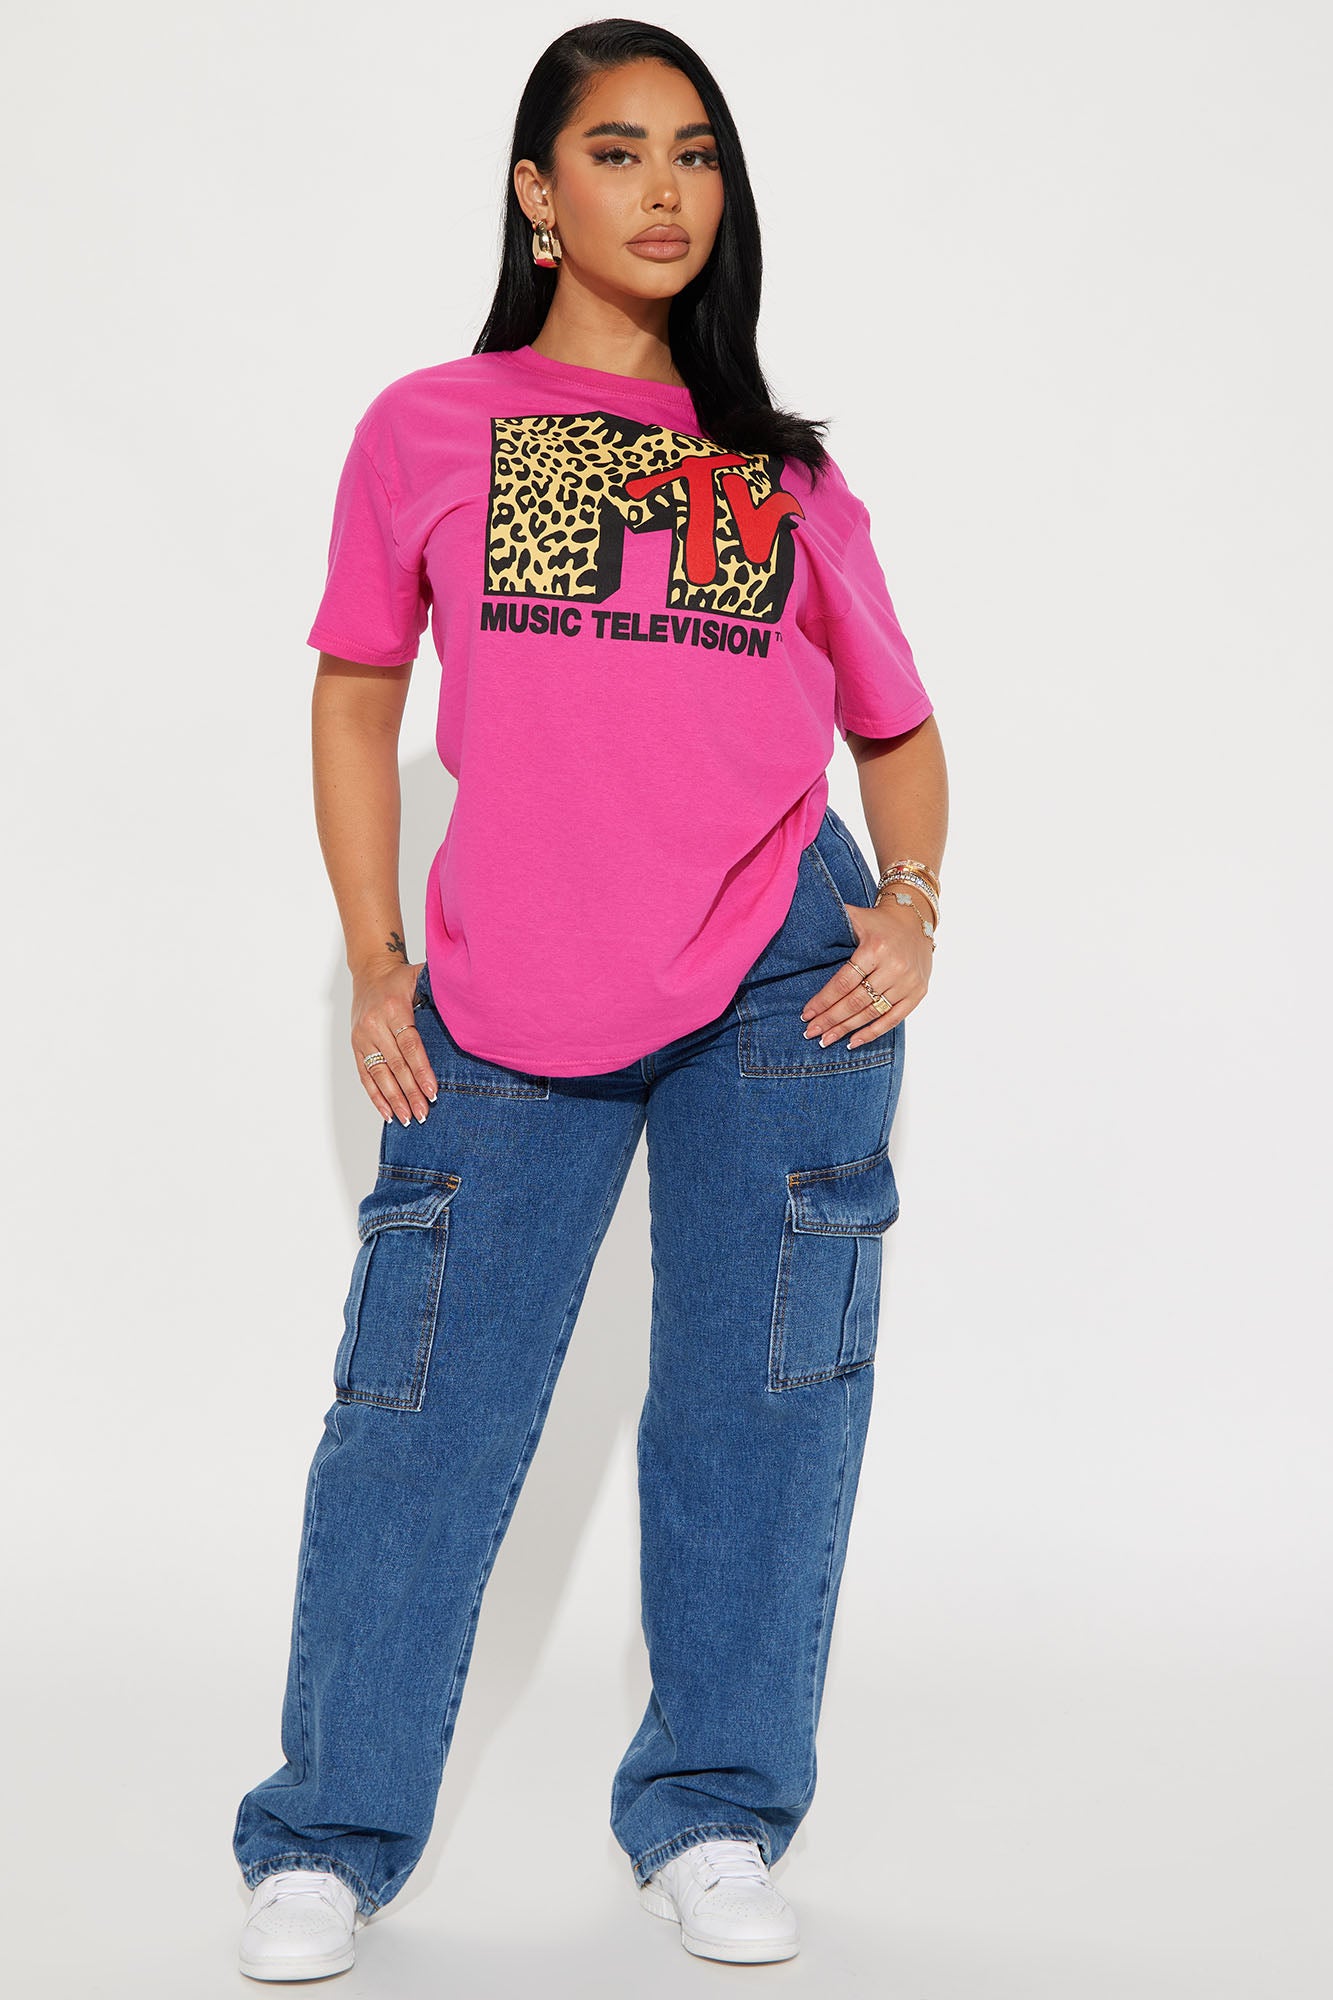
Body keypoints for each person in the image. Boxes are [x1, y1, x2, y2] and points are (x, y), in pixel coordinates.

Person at [232, 16, 948, 1979]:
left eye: (694, 152)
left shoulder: (775, 469)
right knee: (424, 1413)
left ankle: (712, 1812)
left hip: (780, 978)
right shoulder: (430, 426)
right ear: (537, 195)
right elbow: (357, 696)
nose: (663, 188)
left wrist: (909, 907)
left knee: (759, 1410)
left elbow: (895, 726)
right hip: (506, 985)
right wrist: (374, 952)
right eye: (617, 150)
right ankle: (330, 1836)